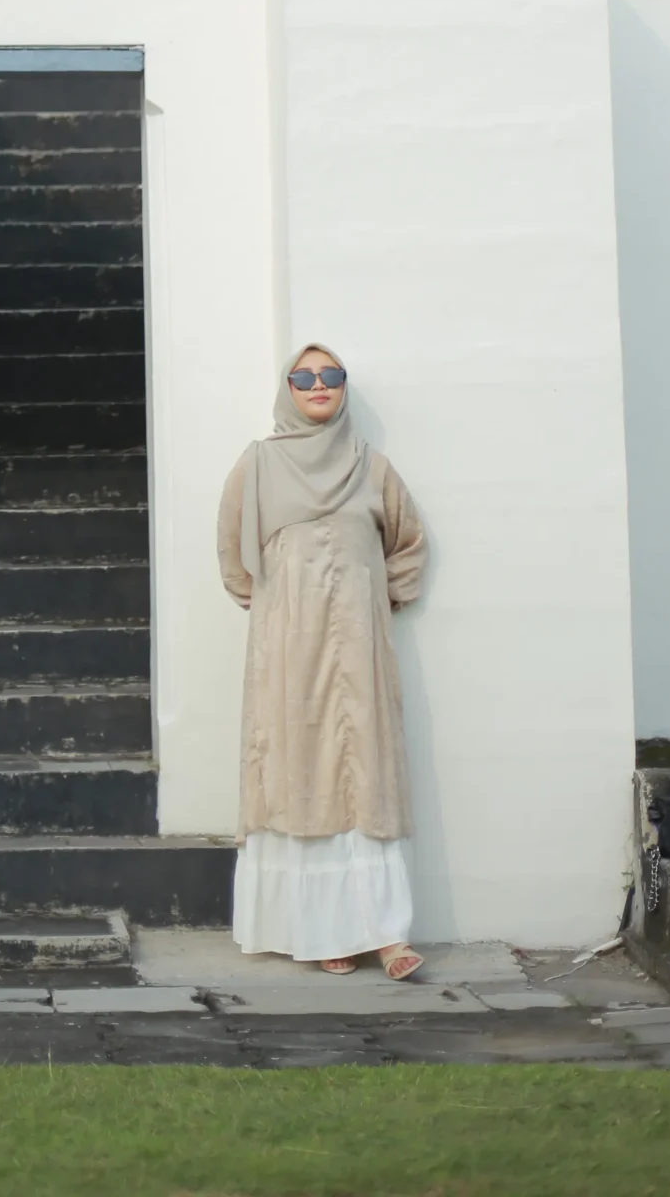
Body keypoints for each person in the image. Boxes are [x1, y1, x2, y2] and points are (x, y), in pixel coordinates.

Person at [216, 345, 427, 979]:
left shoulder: (371, 466)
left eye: (330, 375)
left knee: (365, 777)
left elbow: (408, 542)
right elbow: (232, 553)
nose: (318, 385)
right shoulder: (258, 465)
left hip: (359, 651)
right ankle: (321, 934)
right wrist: (273, 607)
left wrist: (381, 598)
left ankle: (386, 936)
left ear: (343, 388)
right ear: (287, 387)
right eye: (304, 376)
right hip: (289, 653)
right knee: (297, 773)